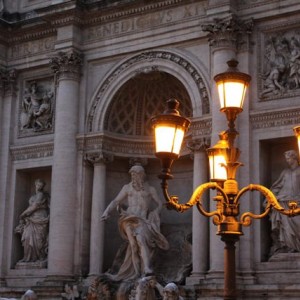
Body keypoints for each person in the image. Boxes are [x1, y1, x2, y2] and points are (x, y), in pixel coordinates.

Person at [100, 165, 169, 281]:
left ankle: (146, 268)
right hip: (128, 218)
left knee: (141, 240)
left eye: (135, 174)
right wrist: (107, 211)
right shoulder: (127, 188)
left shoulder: (150, 189)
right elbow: (116, 200)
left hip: (142, 220)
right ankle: (136, 272)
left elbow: (159, 203)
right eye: (132, 174)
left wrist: (155, 213)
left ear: (141, 175)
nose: (133, 177)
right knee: (133, 245)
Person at [268, 150, 300, 255]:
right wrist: (271, 196)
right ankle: (287, 246)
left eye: (288, 158)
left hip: (296, 202)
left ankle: (296, 246)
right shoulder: (285, 172)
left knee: (297, 224)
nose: (287, 160)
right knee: (285, 227)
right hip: (283, 202)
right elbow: (278, 185)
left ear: (294, 158)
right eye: (286, 159)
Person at [15, 179, 50, 263]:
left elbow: (35, 206)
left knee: (39, 239)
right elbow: (31, 207)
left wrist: (23, 214)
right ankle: (27, 257)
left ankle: (40, 257)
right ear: (35, 184)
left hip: (40, 217)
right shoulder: (33, 196)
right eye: (38, 185)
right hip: (31, 218)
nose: (39, 187)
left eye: (41, 186)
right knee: (27, 237)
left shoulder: (41, 195)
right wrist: (26, 215)